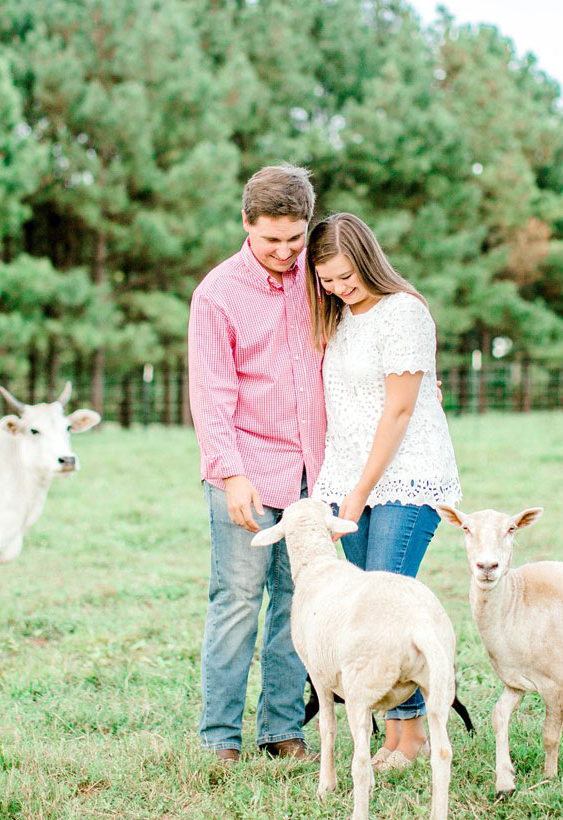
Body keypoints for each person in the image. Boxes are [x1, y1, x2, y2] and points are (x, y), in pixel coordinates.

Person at [305, 212, 462, 771]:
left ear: (368, 260)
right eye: (327, 279)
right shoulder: (342, 318)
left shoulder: (404, 313)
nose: (338, 288)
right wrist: (344, 486)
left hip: (404, 475)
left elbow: (397, 412)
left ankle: (409, 737)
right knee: (369, 608)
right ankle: (397, 736)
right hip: (351, 478)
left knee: (388, 601)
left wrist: (358, 490)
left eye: (347, 276)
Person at [188, 164, 324, 763]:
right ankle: (220, 737)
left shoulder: (318, 277)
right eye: (272, 239)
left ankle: (282, 729)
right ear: (247, 224)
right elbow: (211, 392)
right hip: (244, 466)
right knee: (238, 602)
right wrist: (231, 473)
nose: (285, 252)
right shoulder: (217, 293)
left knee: (298, 603)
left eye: (296, 239)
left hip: (311, 475)